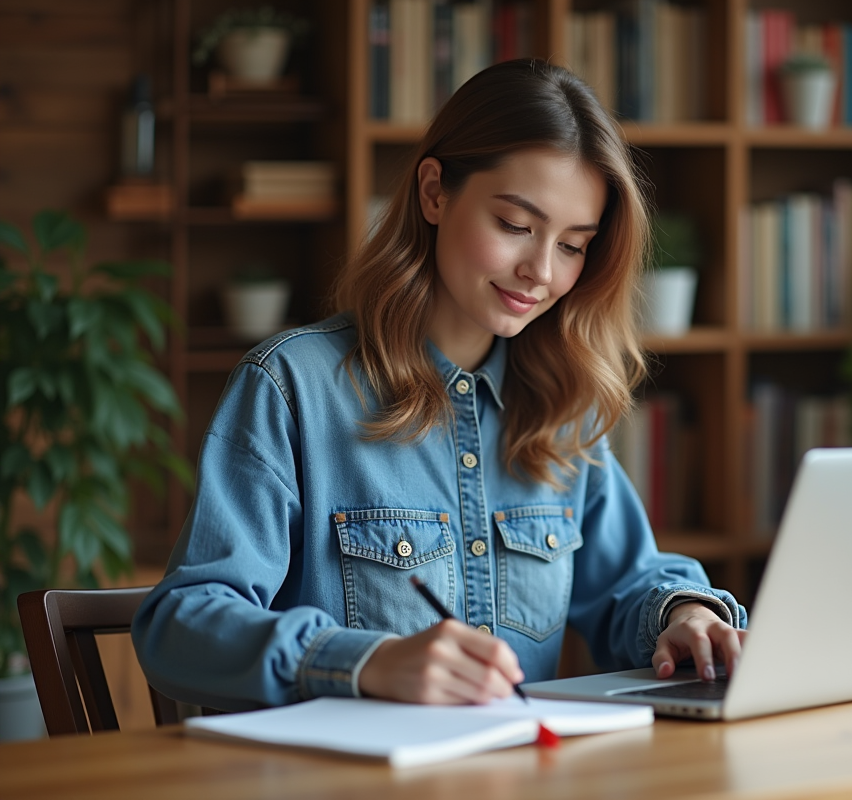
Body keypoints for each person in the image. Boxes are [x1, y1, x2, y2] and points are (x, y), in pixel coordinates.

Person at [132, 59, 746, 711]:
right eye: (515, 225)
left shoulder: (557, 406)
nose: (540, 270)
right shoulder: (291, 387)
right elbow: (179, 624)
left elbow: (629, 586)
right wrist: (365, 661)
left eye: (573, 245)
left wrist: (685, 613)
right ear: (434, 192)